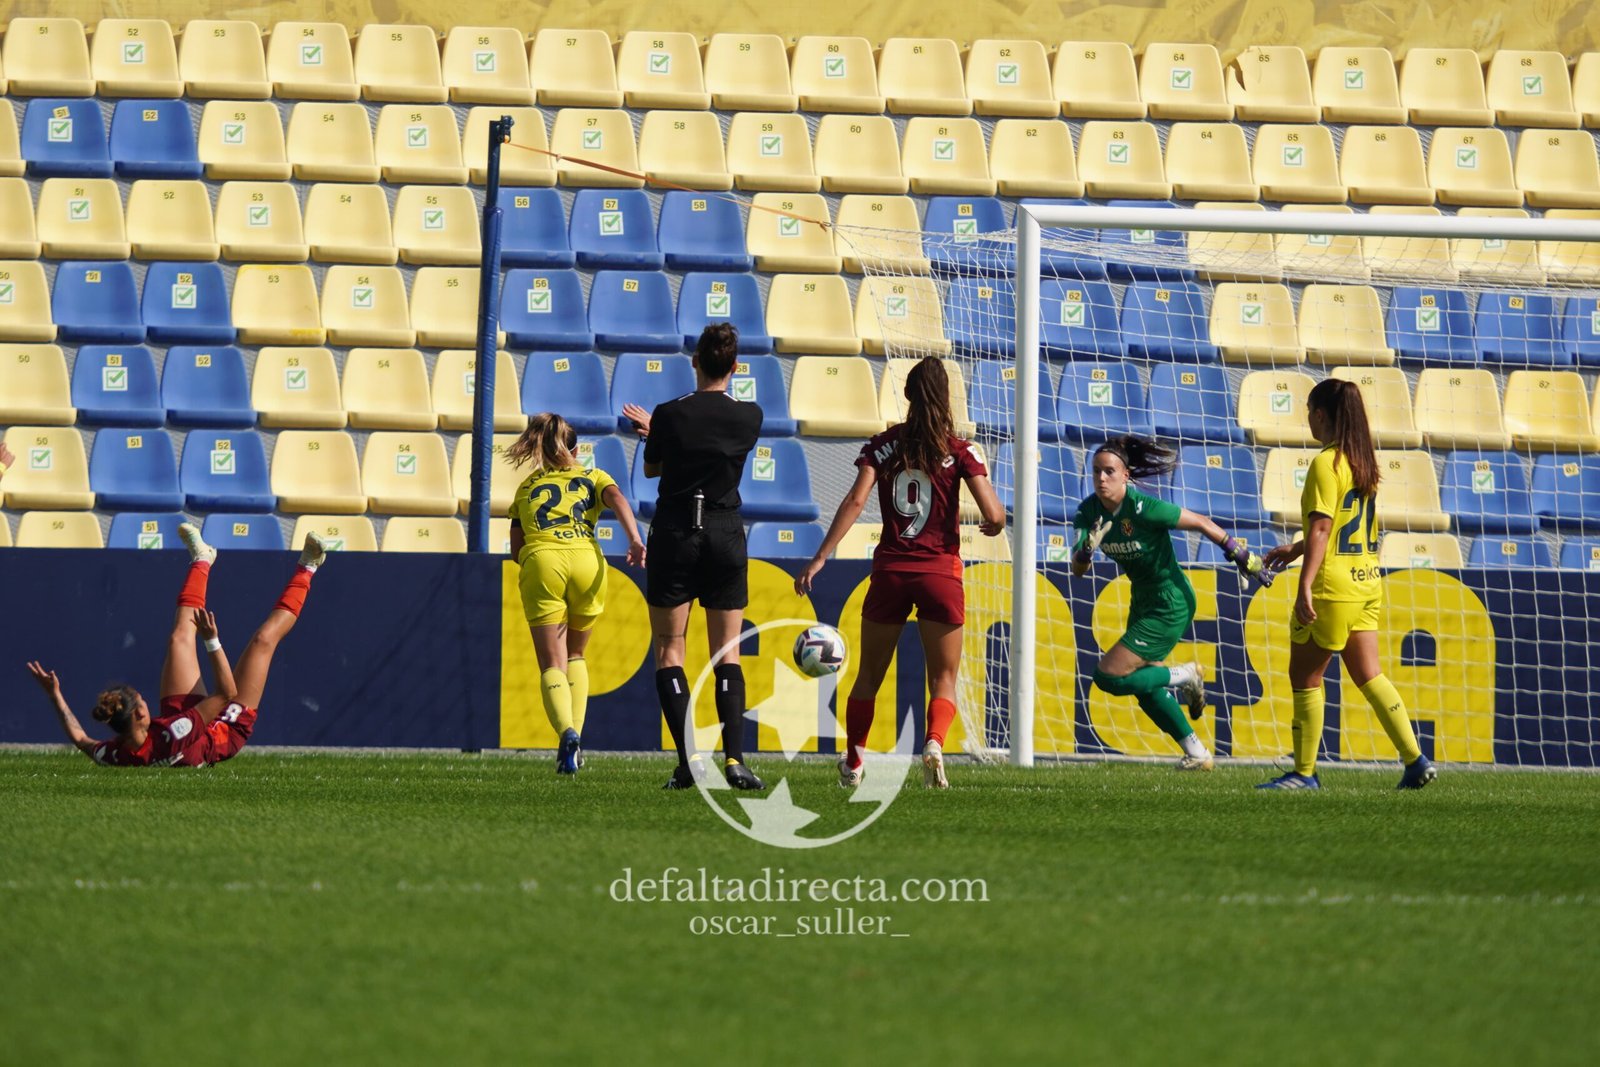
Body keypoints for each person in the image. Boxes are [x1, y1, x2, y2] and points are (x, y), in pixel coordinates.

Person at [795, 356, 1006, 790]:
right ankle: (933, 743)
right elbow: (994, 512)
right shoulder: (961, 451)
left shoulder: (882, 445)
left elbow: (855, 501)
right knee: (943, 677)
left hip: (891, 569)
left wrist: (820, 557)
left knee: (869, 674)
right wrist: (995, 522)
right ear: (946, 400)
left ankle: (854, 762)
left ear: (907, 395)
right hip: (941, 574)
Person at [1258, 379, 1437, 791]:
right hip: (1367, 581)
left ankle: (1304, 774)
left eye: (1308, 411)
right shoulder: (1362, 462)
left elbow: (1323, 528)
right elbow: (1341, 529)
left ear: (1321, 415)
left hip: (1332, 587)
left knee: (1304, 676)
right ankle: (1415, 759)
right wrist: (1297, 548)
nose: (1307, 419)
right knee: (1369, 674)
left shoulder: (1325, 463)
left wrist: (1305, 584)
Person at [25, 524, 327, 767]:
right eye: (142, 702)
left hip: (188, 718)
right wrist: (212, 640)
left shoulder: (119, 754)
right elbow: (226, 694)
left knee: (179, 637)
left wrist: (55, 696)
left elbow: (80, 739)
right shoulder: (171, 733)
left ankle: (202, 559)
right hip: (222, 729)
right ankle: (309, 566)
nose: (146, 703)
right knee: (263, 640)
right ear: (140, 716)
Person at [1069, 435, 1274, 772]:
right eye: (1096, 472)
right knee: (1144, 685)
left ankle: (1186, 675)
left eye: (1109, 472)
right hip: (1143, 600)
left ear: (1126, 476)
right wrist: (1086, 550)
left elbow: (1202, 523)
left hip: (1171, 600)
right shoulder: (1087, 512)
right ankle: (1197, 752)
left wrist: (1241, 555)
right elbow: (1078, 570)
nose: (1101, 479)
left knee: (1108, 677)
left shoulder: (1145, 509)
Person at [621, 323, 766, 791]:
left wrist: (651, 432)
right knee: (728, 651)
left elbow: (653, 467)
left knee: (669, 650)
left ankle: (689, 761)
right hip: (725, 532)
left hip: (676, 530)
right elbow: (717, 454)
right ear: (736, 367)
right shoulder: (751, 416)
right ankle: (736, 761)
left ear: (695, 362)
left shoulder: (668, 413)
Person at [507, 411, 646, 775]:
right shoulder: (593, 476)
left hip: (542, 560)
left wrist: (536, 570)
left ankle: (566, 732)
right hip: (587, 560)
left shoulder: (527, 487)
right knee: (577, 654)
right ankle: (577, 742)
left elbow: (515, 545)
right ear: (576, 448)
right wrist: (634, 538)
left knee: (551, 664)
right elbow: (617, 498)